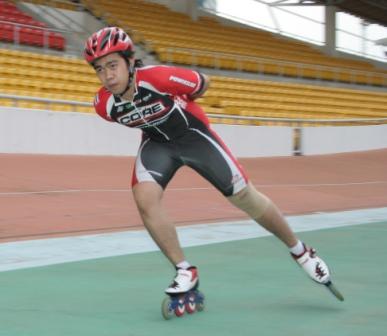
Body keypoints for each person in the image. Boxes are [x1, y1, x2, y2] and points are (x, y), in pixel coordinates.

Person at [84, 27, 332, 295]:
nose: (108, 76)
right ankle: (185, 270)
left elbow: (202, 83)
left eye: (112, 65)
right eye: (99, 69)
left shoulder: (160, 77)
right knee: (144, 199)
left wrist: (180, 98)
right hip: (157, 145)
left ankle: (301, 251)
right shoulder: (104, 105)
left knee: (244, 196)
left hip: (194, 138)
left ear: (130, 62)